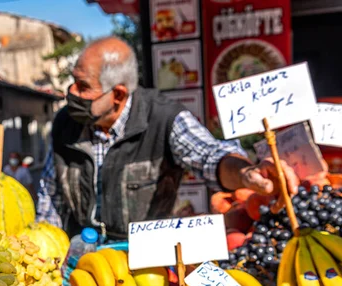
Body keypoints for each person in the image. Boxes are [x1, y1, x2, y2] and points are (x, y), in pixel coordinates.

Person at [36, 36, 299, 240]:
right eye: (72, 82)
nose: (71, 92)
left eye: (83, 87)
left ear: (117, 95)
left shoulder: (164, 118)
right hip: (81, 252)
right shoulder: (64, 125)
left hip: (144, 255)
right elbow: (52, 197)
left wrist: (245, 173)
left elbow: (209, 156)